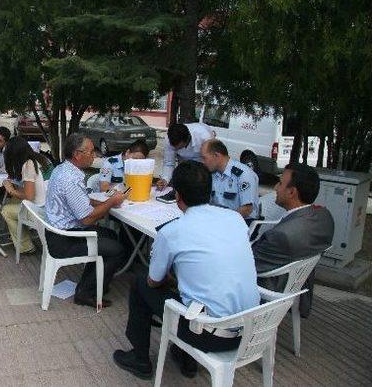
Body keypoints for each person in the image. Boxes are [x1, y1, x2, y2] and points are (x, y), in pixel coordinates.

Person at [113, 161, 259, 380]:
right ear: (209, 190)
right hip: (252, 330)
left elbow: (154, 281)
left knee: (141, 282)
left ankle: (140, 359)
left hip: (210, 334)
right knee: (196, 285)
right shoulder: (235, 218)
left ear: (177, 196)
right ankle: (186, 359)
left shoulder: (172, 231)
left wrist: (171, 278)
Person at [45, 133, 128, 308]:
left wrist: (104, 203)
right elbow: (87, 219)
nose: (94, 156)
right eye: (91, 152)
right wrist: (112, 202)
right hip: (65, 240)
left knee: (110, 234)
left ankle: (97, 282)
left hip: (61, 232)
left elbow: (81, 200)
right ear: (77, 154)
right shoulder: (71, 179)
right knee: (117, 250)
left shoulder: (63, 169)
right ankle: (85, 293)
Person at [252, 163, 334, 317]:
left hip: (268, 292)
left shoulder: (281, 236)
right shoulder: (324, 218)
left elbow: (247, 266)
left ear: (291, 192)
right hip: (295, 285)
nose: (276, 188)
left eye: (280, 183)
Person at [1, 136, 51, 255]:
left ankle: (26, 246)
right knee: (14, 202)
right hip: (51, 207)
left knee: (6, 210)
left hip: (41, 213)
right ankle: (18, 235)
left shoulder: (28, 165)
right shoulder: (41, 159)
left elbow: (29, 196)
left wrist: (10, 189)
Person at [200, 139, 260, 223]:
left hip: (241, 223)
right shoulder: (212, 174)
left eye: (204, 158)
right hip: (218, 220)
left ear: (216, 155)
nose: (202, 162)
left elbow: (247, 210)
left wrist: (221, 221)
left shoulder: (243, 174)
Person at [157, 122, 214, 187]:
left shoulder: (204, 136)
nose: (177, 149)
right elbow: (169, 163)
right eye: (175, 148)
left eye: (180, 147)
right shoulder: (169, 139)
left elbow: (211, 162)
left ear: (188, 139)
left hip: (202, 161)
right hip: (183, 161)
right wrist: (165, 179)